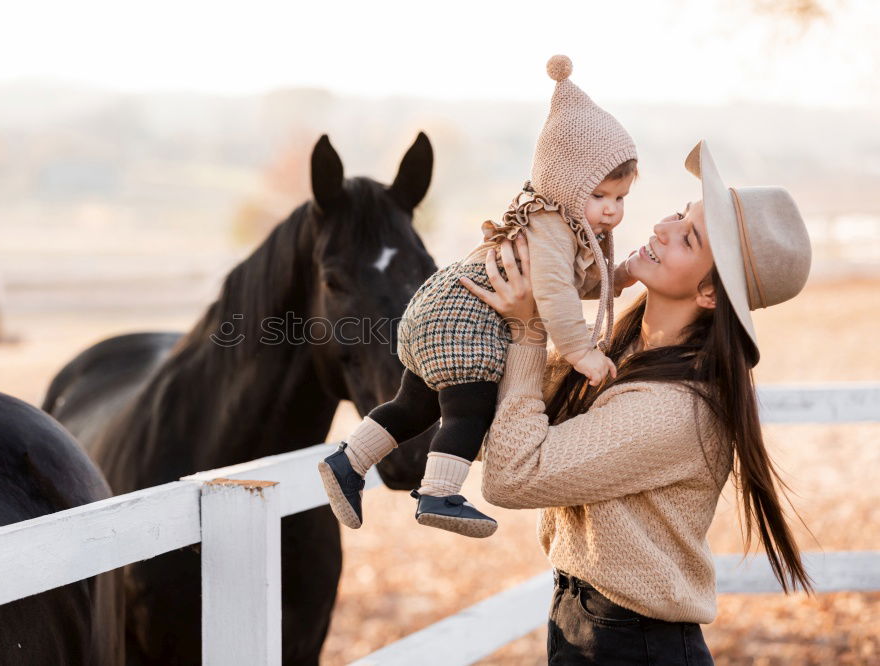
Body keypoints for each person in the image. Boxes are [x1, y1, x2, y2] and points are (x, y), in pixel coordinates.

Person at [460, 139, 815, 663]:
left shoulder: (675, 407)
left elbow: (513, 474)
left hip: (633, 643)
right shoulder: (619, 351)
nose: (661, 229)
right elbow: (503, 427)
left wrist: (530, 329)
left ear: (710, 294)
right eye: (678, 214)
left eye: (688, 238)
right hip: (586, 621)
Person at [319, 55, 637, 538]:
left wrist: (620, 274)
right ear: (567, 184)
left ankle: (348, 461)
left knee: (414, 406)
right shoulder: (553, 225)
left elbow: (561, 284)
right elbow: (552, 291)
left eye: (620, 199)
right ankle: (438, 493)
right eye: (601, 196)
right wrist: (581, 352)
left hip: (438, 307)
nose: (612, 211)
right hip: (466, 320)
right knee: (470, 407)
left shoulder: (553, 223)